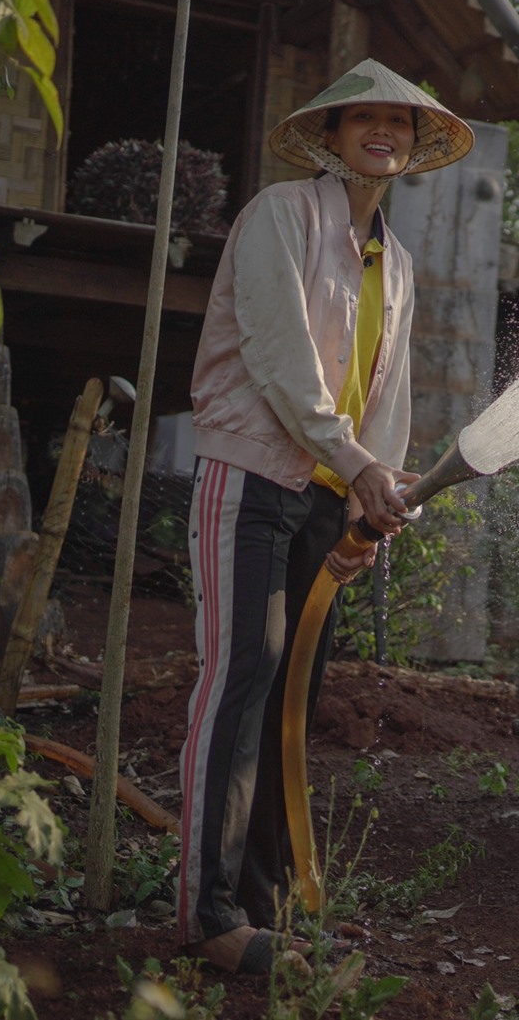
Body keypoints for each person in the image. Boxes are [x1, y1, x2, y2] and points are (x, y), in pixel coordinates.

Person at [177, 59, 474, 973]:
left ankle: (259, 906)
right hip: (253, 476)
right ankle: (207, 913)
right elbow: (278, 352)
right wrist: (353, 461)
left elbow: (387, 392)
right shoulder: (282, 215)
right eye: (366, 120)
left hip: (322, 497)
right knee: (243, 673)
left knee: (291, 692)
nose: (382, 133)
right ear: (334, 134)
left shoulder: (399, 261)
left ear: (412, 147)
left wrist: (371, 493)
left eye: (400, 123)